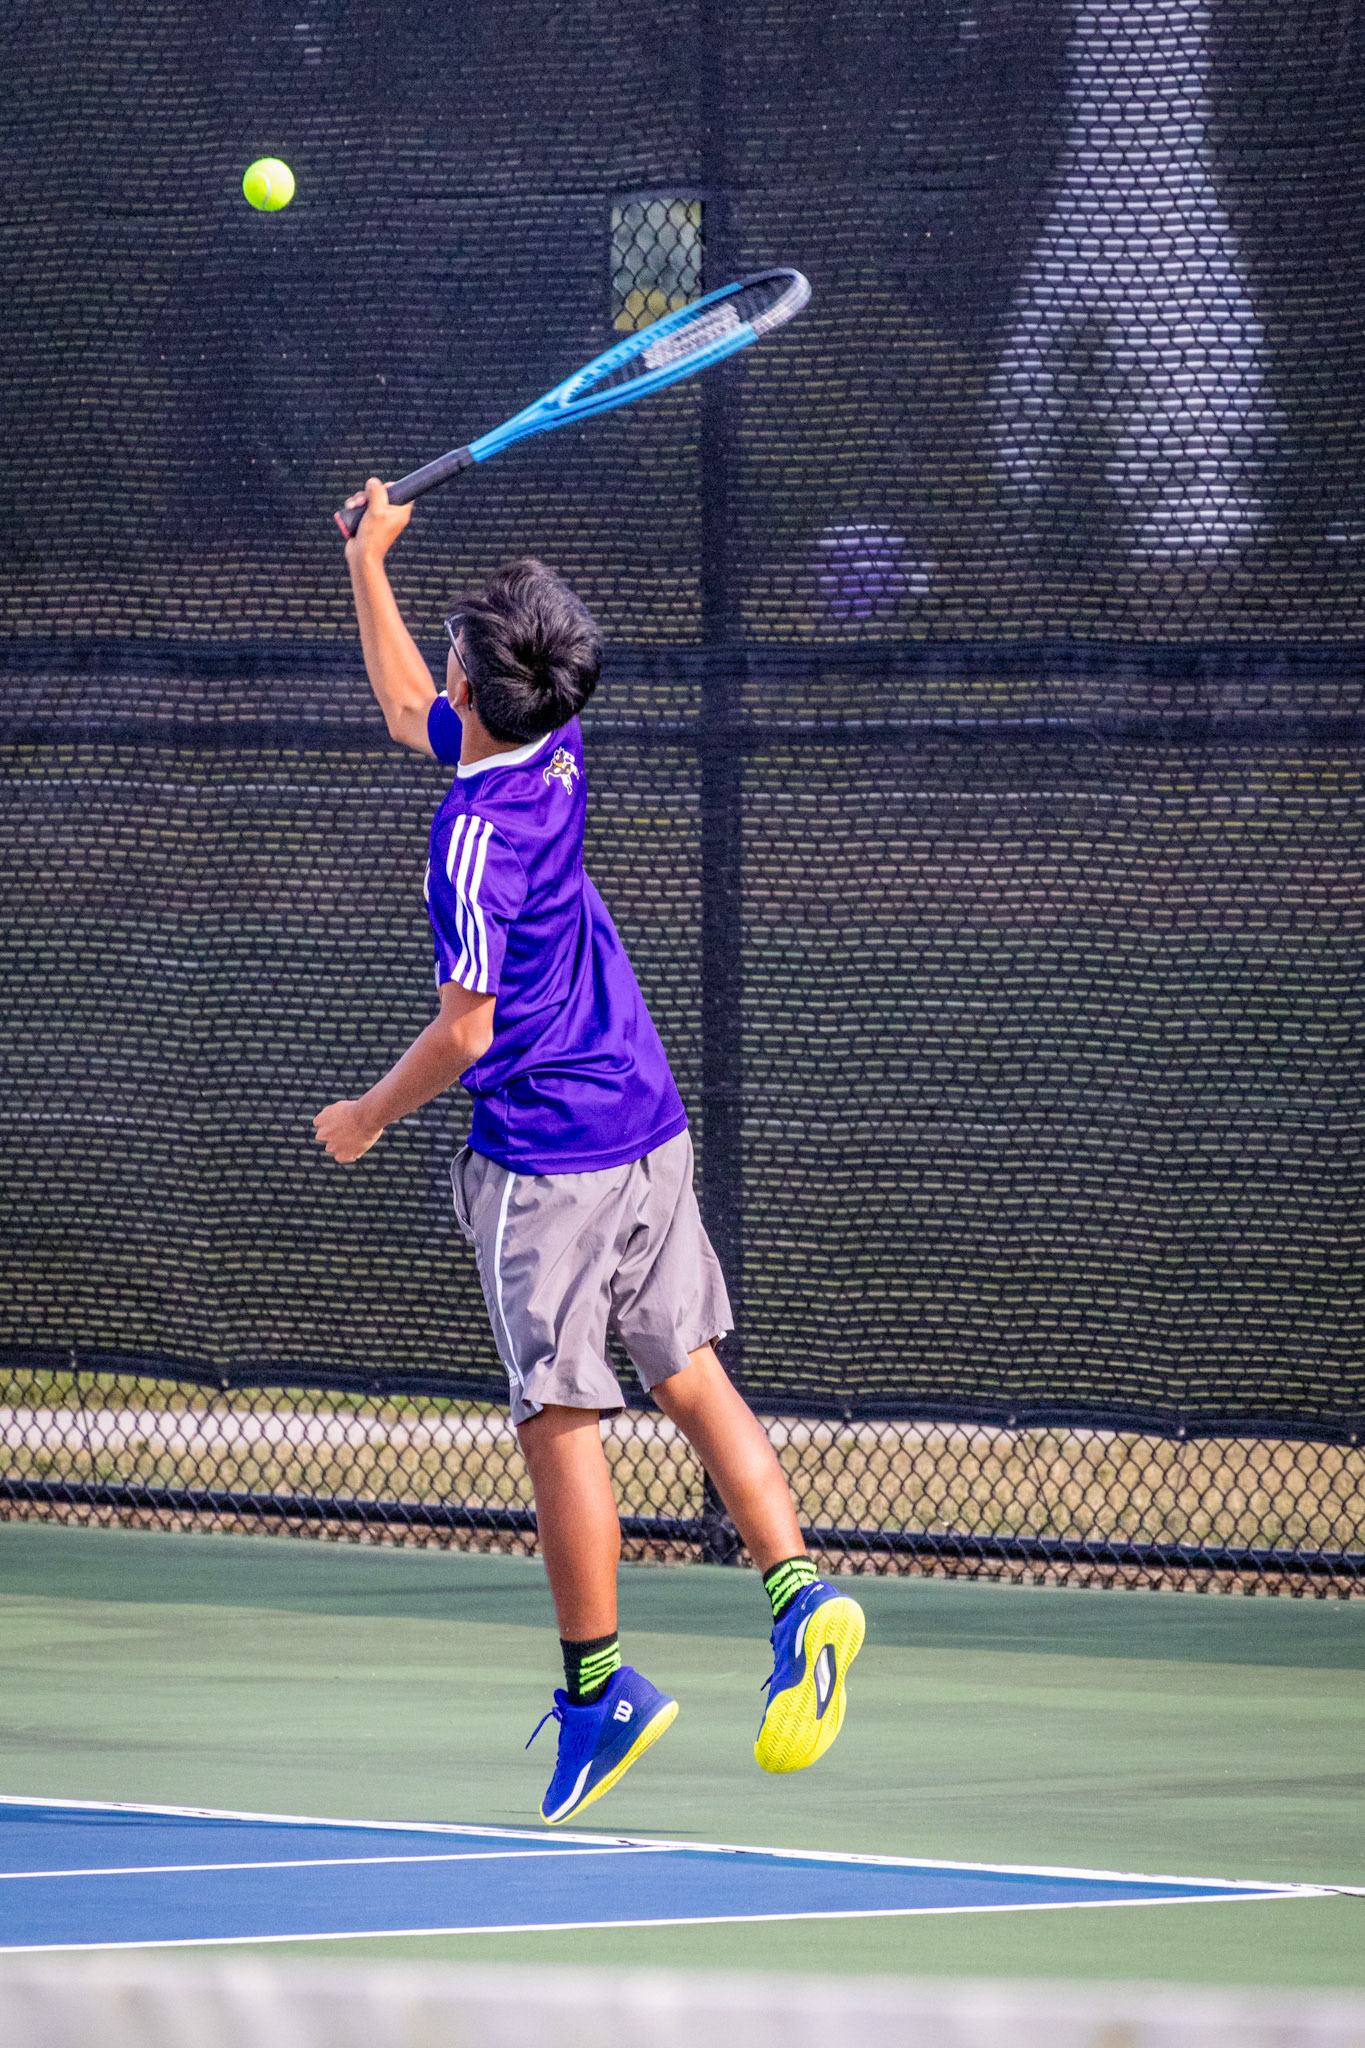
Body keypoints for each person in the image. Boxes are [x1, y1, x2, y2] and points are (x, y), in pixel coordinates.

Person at [314, 478, 865, 1824]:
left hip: (548, 1163)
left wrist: (365, 1119)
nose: (437, 679)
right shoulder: (555, 743)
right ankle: (800, 1592)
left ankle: (598, 1689)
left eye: (453, 656)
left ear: (475, 684)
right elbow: (412, 709)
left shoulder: (468, 839)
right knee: (683, 1369)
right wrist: (371, 564)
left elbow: (463, 1031)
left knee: (559, 1422)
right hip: (648, 1124)